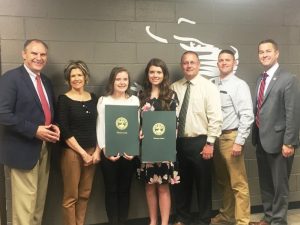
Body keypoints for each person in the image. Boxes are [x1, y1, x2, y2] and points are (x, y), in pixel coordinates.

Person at [0, 39, 60, 225]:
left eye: (42, 54)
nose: (38, 58)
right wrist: (34, 130)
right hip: (22, 150)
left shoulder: (46, 81)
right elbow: (3, 113)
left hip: (44, 148)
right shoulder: (11, 78)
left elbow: (44, 111)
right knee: (25, 205)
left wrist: (53, 124)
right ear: (24, 54)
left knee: (37, 204)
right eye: (34, 53)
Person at [249, 39, 300, 225]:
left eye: (268, 51)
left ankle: (278, 221)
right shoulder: (260, 78)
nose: (264, 54)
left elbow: (293, 113)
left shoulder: (288, 78)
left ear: (277, 53)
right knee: (266, 183)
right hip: (261, 140)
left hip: (280, 143)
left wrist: (289, 142)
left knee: (280, 186)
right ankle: (269, 217)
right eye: (261, 52)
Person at [171, 51, 223, 225]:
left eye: (192, 62)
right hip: (179, 142)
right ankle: (182, 217)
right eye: (185, 62)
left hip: (201, 142)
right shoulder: (174, 87)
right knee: (180, 183)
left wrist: (210, 143)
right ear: (181, 66)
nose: (189, 65)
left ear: (198, 65)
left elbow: (215, 117)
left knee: (203, 183)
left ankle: (203, 219)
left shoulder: (208, 87)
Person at [210, 50, 253, 225]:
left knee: (238, 183)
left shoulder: (239, 85)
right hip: (216, 138)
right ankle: (227, 215)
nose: (224, 63)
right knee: (223, 181)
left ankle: (242, 220)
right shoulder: (212, 84)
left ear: (234, 63)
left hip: (231, 138)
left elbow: (247, 115)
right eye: (221, 60)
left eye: (228, 60)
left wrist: (239, 141)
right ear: (217, 63)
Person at [57, 60, 101, 225]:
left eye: (79, 75)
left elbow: (100, 126)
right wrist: (83, 154)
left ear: (85, 77)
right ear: (68, 80)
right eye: (72, 76)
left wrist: (96, 152)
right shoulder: (64, 99)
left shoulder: (93, 98)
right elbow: (65, 130)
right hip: (72, 153)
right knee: (71, 196)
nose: (76, 78)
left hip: (92, 153)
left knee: (85, 193)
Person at [137, 58, 180, 225]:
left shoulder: (171, 95)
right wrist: (138, 132)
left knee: (163, 187)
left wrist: (168, 143)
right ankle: (153, 222)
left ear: (164, 75)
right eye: (152, 72)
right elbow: (136, 122)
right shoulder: (141, 95)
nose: (155, 75)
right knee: (149, 187)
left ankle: (164, 223)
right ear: (148, 74)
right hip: (145, 148)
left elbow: (175, 122)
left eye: (158, 72)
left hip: (164, 148)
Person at [96, 67, 139, 225]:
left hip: (128, 154)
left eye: (125, 79)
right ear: (112, 82)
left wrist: (133, 149)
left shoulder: (134, 100)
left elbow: (136, 126)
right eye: (118, 79)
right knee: (111, 190)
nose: (122, 82)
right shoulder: (103, 101)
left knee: (125, 190)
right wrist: (104, 148)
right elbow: (100, 126)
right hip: (109, 153)